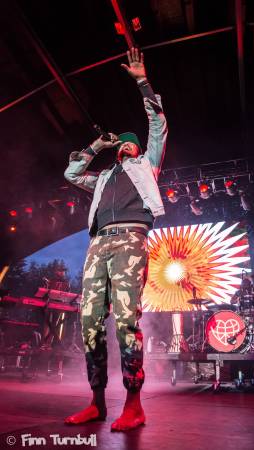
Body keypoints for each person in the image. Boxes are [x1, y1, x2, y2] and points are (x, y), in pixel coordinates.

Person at [64, 47, 168, 431]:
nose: (125, 144)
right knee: (88, 321)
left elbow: (157, 125)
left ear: (139, 150)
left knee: (125, 320)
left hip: (130, 241)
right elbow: (72, 174)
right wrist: (98, 146)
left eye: (130, 142)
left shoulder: (147, 167)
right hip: (99, 244)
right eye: (121, 142)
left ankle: (134, 404)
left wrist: (142, 81)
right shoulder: (104, 177)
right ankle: (95, 401)